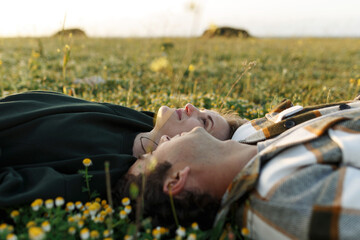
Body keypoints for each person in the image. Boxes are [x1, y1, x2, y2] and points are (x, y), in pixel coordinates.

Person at [115, 97, 360, 238]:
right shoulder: (284, 199)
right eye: (152, 156)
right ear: (176, 179)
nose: (163, 141)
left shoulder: (260, 148)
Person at [0, 91, 243, 207]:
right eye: (202, 111)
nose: (191, 106)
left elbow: (12, 192)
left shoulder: (104, 174)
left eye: (203, 122)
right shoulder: (140, 123)